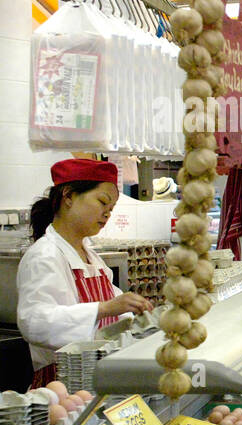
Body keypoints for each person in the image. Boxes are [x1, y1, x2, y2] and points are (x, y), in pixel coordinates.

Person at [18, 159, 151, 388]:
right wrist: (104, 308)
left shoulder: (91, 256)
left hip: (97, 377)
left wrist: (141, 320)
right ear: (68, 196)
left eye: (111, 209)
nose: (107, 214)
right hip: (62, 385)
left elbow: (116, 314)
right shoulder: (45, 255)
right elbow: (34, 322)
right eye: (102, 202)